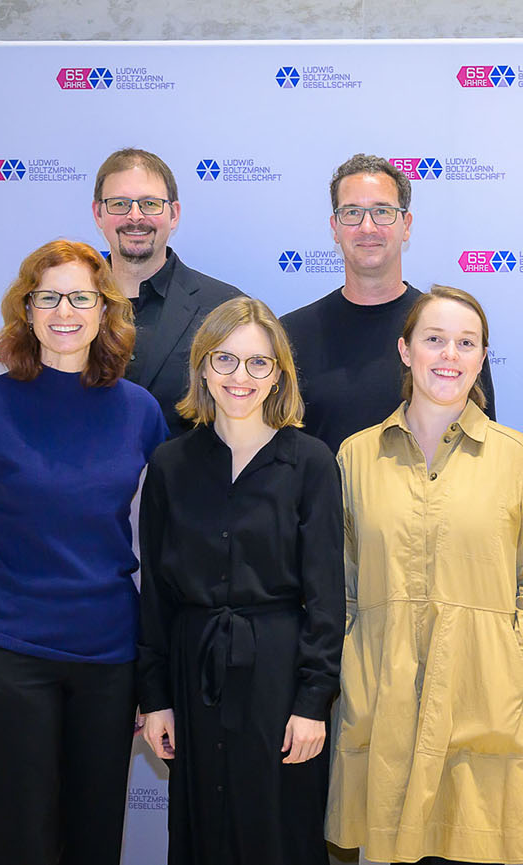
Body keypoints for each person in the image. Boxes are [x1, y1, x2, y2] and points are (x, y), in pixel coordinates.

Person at [0, 240, 168, 865]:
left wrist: (152, 668)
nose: (65, 312)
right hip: (10, 658)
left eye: (81, 297)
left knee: (94, 845)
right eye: (48, 297)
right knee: (20, 846)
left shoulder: (140, 413)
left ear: (104, 310)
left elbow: (163, 542)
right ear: (26, 310)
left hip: (109, 662)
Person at [326, 286, 523, 864]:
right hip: (384, 704)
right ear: (405, 351)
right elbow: (338, 590)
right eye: (434, 339)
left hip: (487, 703)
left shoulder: (518, 457)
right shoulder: (354, 457)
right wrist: (348, 679)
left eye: (466, 343)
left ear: (482, 357)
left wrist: (517, 683)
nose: (450, 355)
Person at [137, 297, 343, 865]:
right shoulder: (169, 465)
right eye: (225, 359)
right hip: (193, 671)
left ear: (278, 374)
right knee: (203, 830)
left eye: (258, 363)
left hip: (279, 675)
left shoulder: (311, 463)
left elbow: (327, 598)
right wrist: (155, 699)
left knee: (280, 830)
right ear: (203, 366)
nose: (240, 377)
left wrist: (313, 702)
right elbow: (155, 595)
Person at [281, 153, 494, 452]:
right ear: (335, 227)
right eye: (352, 212)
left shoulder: (450, 331)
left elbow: (484, 445)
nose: (367, 227)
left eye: (382, 212)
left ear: (406, 224)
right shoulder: (291, 334)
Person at [92, 147, 244, 437]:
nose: (135, 216)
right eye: (119, 204)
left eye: (149, 204)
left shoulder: (225, 309)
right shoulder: (66, 311)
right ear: (98, 214)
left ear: (174, 214)